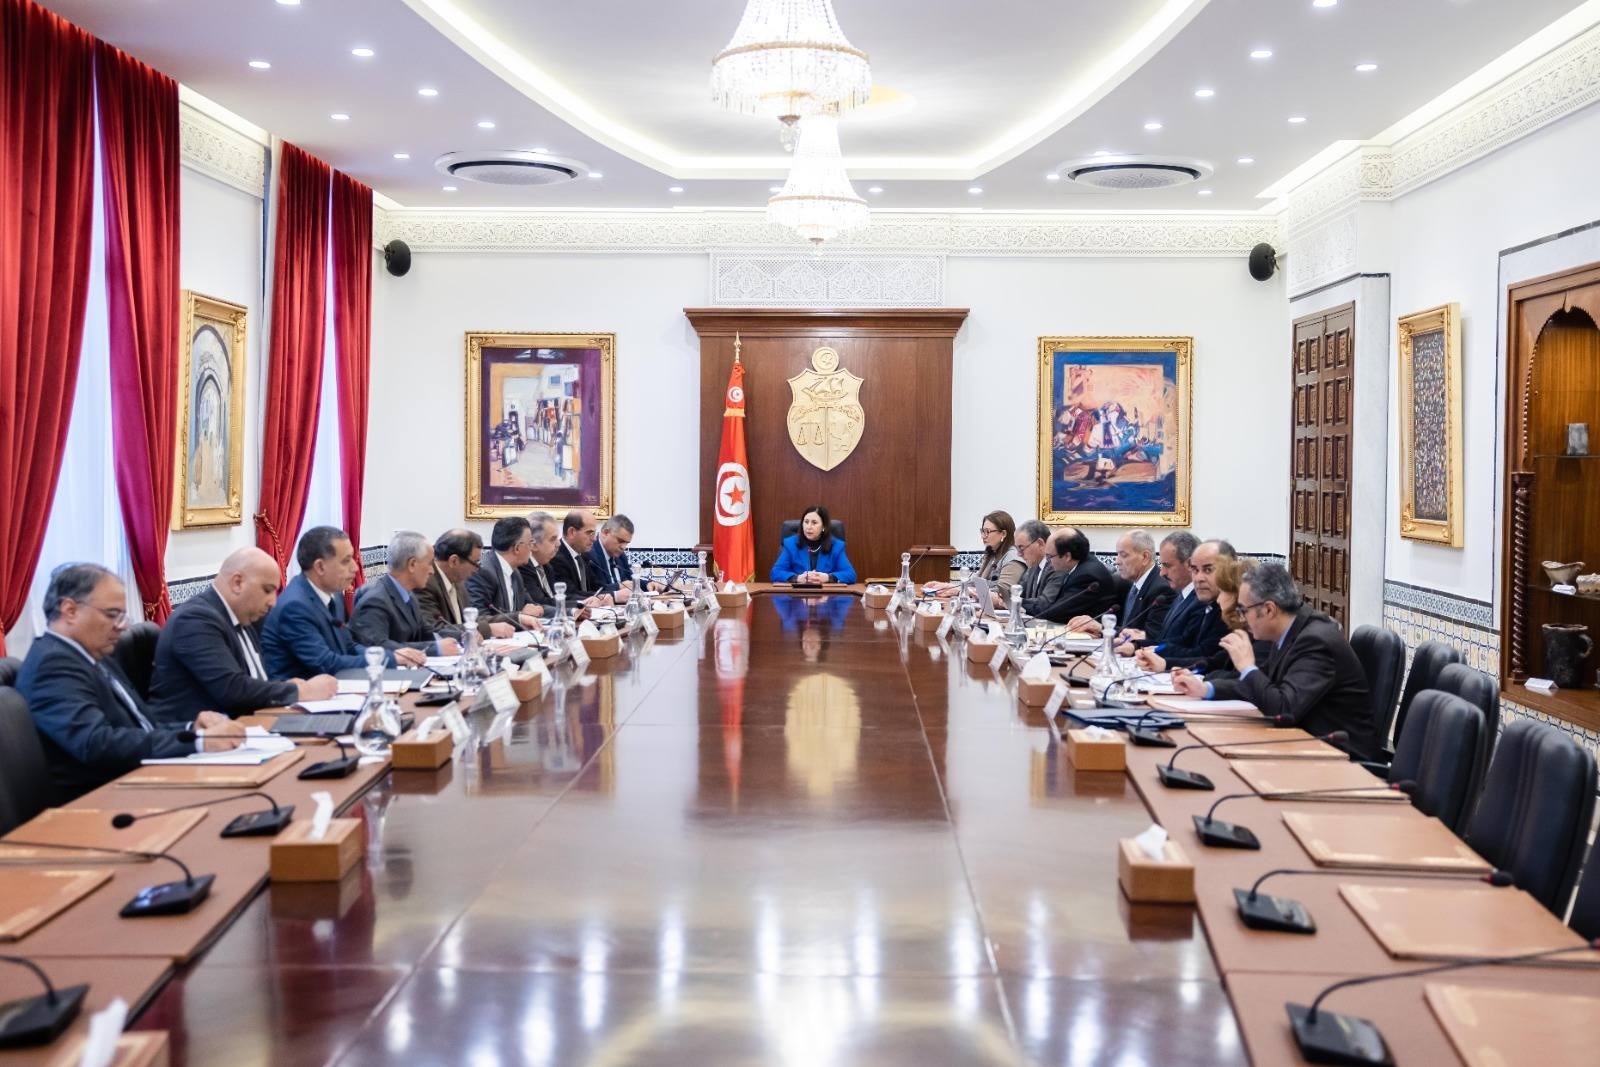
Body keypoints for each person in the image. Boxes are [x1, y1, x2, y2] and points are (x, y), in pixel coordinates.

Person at [18, 563, 245, 804]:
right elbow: (97, 744)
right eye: (112, 614)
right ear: (70, 610)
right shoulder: (53, 665)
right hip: (102, 801)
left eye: (122, 616)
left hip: (137, 782)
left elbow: (142, 727)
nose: (122, 626)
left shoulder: (92, 655)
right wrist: (200, 742)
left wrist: (193, 730)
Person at [1172, 562, 1376, 760]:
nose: (1242, 619)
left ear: (1269, 609)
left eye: (1244, 610)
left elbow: (1284, 708)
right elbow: (1262, 684)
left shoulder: (1315, 641)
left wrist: (1247, 667)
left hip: (1341, 758)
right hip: (1302, 744)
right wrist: (1206, 688)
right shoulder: (1291, 632)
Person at [148, 547, 337, 721]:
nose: (273, 601)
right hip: (194, 742)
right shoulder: (195, 620)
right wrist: (300, 692)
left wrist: (286, 684)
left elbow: (253, 680)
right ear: (237, 583)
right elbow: (232, 689)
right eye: (267, 590)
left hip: (244, 728)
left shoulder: (243, 615)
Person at [262, 526, 428, 678]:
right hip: (298, 701)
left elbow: (349, 647)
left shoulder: (334, 596)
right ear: (320, 567)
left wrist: (389, 656)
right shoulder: (295, 606)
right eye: (346, 560)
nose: (355, 567)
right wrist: (391, 659)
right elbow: (326, 663)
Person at [1136, 556, 1266, 672]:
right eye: (1195, 570)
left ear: (1237, 595)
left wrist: (1208, 687)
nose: (1198, 578)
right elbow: (1215, 661)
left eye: (1222, 591)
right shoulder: (1237, 626)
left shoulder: (1259, 637)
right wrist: (1161, 658)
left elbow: (1231, 675)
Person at [351, 531, 462, 655]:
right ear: (412, 564)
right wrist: (435, 648)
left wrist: (464, 635)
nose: (432, 571)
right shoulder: (375, 600)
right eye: (430, 564)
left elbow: (426, 632)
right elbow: (377, 647)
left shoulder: (409, 596)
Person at [1134, 539, 1232, 669]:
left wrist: (1163, 661)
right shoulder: (1210, 604)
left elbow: (1208, 656)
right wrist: (1142, 646)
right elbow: (1183, 640)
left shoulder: (1232, 611)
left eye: (1208, 570)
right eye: (1195, 570)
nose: (1198, 578)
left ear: (1230, 571)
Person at [416, 529, 518, 639]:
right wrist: (488, 629)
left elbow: (472, 620)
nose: (477, 569)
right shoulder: (425, 583)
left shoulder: (458, 581)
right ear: (454, 561)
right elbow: (435, 630)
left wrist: (517, 618)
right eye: (475, 563)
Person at [1068, 529, 1172, 638]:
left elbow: (1150, 636)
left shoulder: (1162, 590)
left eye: (1124, 555)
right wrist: (1090, 624)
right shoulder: (1125, 584)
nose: (1117, 561)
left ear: (1145, 557)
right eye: (1117, 554)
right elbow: (1115, 622)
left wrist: (1101, 628)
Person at [466, 516, 546, 627]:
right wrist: (519, 616)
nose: (531, 548)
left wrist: (540, 609)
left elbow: (531, 606)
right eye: (530, 543)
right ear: (517, 548)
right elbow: (478, 618)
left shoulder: (515, 572)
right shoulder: (484, 571)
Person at [1126, 531, 1200, 648]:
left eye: (1167, 566)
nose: (1162, 573)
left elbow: (1185, 648)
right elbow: (1165, 641)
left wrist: (1147, 649)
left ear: (1190, 564)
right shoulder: (1181, 596)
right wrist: (1135, 644)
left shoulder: (1200, 601)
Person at [1029, 528, 1117, 623]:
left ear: (1067, 556)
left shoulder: (1087, 576)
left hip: (1094, 634)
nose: (1048, 561)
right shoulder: (1081, 566)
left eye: (1050, 556)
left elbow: (1056, 613)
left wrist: (1019, 602)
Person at [770, 505, 857, 585]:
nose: (809, 527)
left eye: (814, 523)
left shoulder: (836, 546)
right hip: (797, 597)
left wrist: (828, 577)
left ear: (824, 527)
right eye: (806, 522)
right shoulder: (791, 544)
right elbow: (776, 572)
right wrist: (797, 578)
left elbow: (850, 574)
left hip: (827, 596)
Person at [544, 510, 613, 609]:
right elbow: (568, 594)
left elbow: (596, 586)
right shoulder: (556, 557)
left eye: (594, 534)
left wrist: (616, 591)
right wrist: (605, 597)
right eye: (590, 533)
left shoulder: (583, 555)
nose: (594, 539)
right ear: (572, 532)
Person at [587, 514, 660, 603]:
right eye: (621, 541)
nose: (624, 547)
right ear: (606, 533)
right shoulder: (589, 554)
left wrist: (648, 584)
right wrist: (618, 587)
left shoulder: (620, 555)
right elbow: (594, 590)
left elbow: (630, 581)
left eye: (627, 543)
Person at [1015, 519, 1064, 616]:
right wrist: (1000, 599)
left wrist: (1014, 602)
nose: (1019, 554)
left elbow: (1044, 604)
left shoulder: (1057, 565)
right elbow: (1018, 592)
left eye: (1021, 548)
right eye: (1017, 549)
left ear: (1040, 543)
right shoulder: (1034, 565)